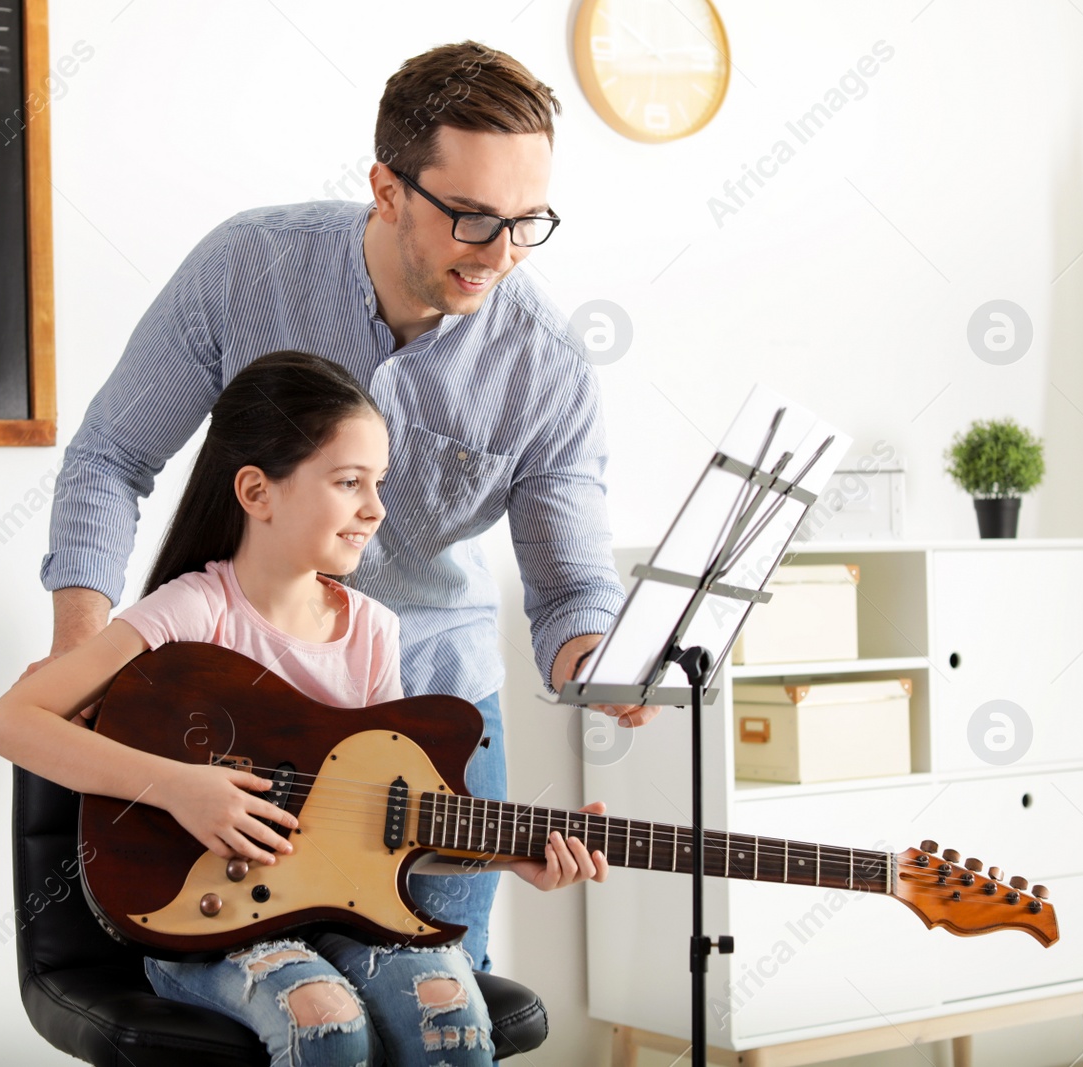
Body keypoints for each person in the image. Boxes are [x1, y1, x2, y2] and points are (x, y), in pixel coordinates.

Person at [36, 40, 658, 973]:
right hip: (231, 709)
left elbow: (570, 586)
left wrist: (600, 666)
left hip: (434, 710)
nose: (501, 256)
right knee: (268, 1002)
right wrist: (82, 658)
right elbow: (110, 456)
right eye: (473, 217)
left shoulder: (546, 366)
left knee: (441, 1001)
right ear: (388, 187)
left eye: (529, 223)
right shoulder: (248, 267)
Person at [0, 352, 608, 1067]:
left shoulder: (375, 628)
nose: (375, 509)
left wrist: (518, 853)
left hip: (338, 917)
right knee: (325, 1017)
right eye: (349, 483)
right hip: (207, 925)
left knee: (451, 1013)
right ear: (257, 490)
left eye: (378, 483)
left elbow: (378, 829)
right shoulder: (192, 609)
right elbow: (9, 721)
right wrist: (181, 787)